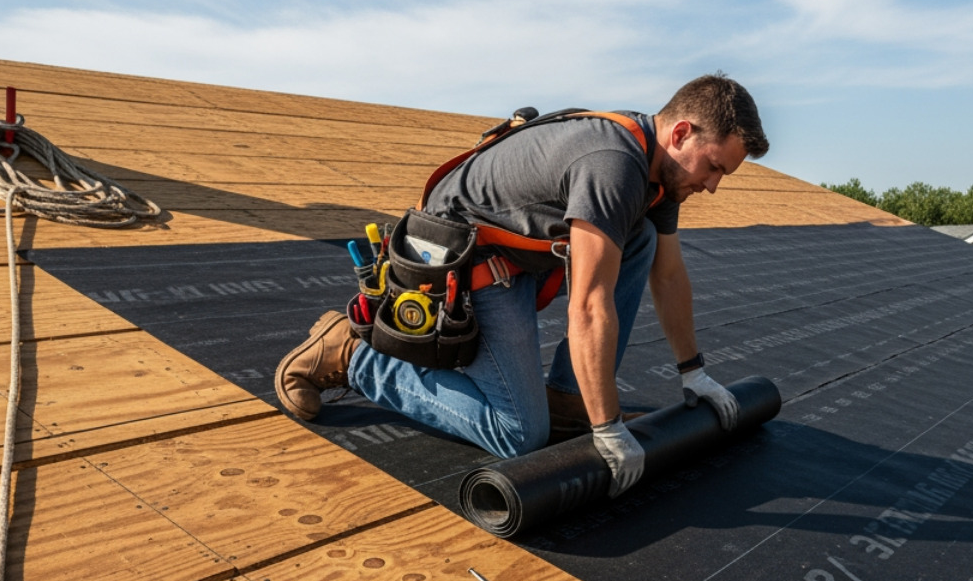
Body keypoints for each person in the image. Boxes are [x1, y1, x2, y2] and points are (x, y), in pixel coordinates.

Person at [275, 74, 769, 497]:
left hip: (515, 257)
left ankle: (570, 398)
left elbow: (668, 273)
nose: (712, 185)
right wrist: (609, 428)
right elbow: (590, 307)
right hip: (464, 264)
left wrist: (693, 373)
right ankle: (351, 355)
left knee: (639, 234)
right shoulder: (614, 163)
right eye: (714, 167)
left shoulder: (656, 167)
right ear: (681, 132)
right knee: (518, 434)